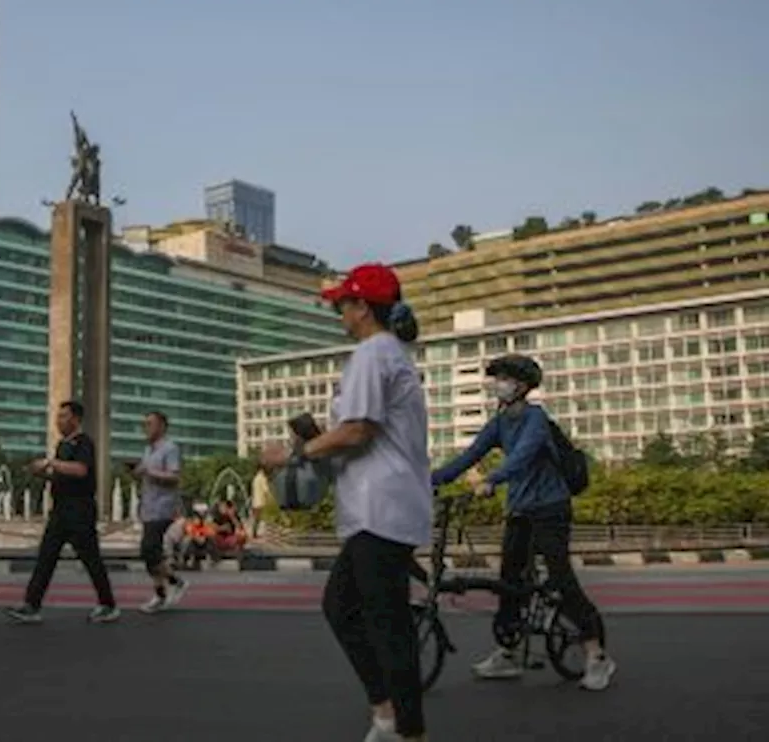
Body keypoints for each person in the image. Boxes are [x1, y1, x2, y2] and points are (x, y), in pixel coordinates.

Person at [264, 263, 431, 742]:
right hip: (375, 508)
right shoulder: (387, 354)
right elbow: (357, 432)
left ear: (362, 307)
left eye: (343, 303)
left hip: (382, 509)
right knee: (343, 608)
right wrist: (318, 446)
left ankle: (407, 730)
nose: (339, 312)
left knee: (387, 626)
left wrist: (294, 452)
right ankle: (386, 713)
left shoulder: (373, 353)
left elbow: (358, 430)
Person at [430, 353, 616, 692]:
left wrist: (493, 480)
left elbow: (523, 455)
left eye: (502, 378)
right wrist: (429, 480)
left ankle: (596, 654)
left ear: (521, 385)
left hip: (550, 509)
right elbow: (468, 457)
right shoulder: (500, 423)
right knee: (510, 581)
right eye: (495, 378)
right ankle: (509, 652)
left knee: (560, 576)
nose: (496, 384)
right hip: (519, 510)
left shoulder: (536, 419)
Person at [5, 401, 119, 624]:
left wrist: (51, 463)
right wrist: (42, 474)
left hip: (80, 510)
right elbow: (61, 475)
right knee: (46, 556)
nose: (59, 421)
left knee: (91, 559)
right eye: (58, 417)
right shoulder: (62, 445)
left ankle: (108, 605)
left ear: (76, 419)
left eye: (64, 416)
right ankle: (31, 605)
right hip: (60, 509)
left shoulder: (84, 443)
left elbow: (80, 470)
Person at [133, 411, 188, 614]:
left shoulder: (170, 448)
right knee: (150, 553)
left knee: (148, 550)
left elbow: (174, 477)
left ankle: (173, 584)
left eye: (150, 424)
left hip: (163, 508)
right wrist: (138, 472)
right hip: (148, 507)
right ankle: (164, 591)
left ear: (162, 426)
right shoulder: (148, 450)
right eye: (144, 424)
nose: (146, 428)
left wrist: (149, 472)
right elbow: (148, 474)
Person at [249, 460, 274, 539]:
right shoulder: (262, 478)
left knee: (256, 519)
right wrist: (271, 498)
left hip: (255, 501)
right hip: (261, 501)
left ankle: (254, 533)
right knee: (261, 518)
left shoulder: (255, 478)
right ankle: (255, 534)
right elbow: (266, 490)